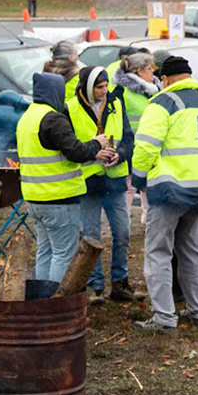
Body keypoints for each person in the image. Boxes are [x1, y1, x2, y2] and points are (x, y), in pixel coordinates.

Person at [129, 55, 198, 333]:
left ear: (165, 78)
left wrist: (139, 177)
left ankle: (165, 318)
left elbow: (145, 146)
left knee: (158, 253)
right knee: (191, 252)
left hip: (168, 191)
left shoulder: (162, 103)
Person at [17, 71, 113, 292]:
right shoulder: (53, 118)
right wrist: (97, 143)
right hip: (59, 198)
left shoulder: (27, 117)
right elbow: (76, 152)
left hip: (34, 198)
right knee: (63, 254)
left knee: (45, 251)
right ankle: (56, 304)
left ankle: (42, 300)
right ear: (55, 92)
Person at [67, 66, 136, 302]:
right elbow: (69, 147)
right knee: (91, 235)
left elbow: (128, 138)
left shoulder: (115, 103)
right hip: (87, 183)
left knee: (122, 232)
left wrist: (120, 154)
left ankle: (120, 283)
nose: (104, 91)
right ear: (87, 87)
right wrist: (92, 153)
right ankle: (95, 286)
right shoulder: (70, 109)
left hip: (114, 181)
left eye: (106, 86)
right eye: (99, 87)